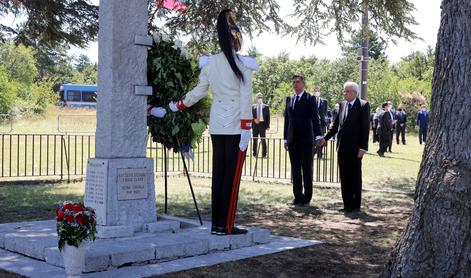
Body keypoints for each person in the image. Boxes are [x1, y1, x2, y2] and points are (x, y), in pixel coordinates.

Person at [165, 9, 258, 235]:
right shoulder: (244, 64)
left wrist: (178, 105)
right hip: (237, 124)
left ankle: (217, 223)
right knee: (232, 176)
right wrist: (247, 126)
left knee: (219, 174)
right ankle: (225, 225)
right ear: (236, 41)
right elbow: (246, 96)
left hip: (218, 124)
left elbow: (198, 92)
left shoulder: (210, 63)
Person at [320, 81, 370, 213]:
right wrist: (325, 138)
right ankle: (347, 204)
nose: (345, 93)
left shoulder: (363, 105)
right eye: (344, 91)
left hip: (355, 149)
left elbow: (365, 128)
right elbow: (336, 126)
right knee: (344, 176)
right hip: (342, 147)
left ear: (354, 92)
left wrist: (363, 148)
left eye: (347, 91)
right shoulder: (342, 105)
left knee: (355, 176)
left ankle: (355, 205)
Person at [284, 75, 323, 206]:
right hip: (292, 140)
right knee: (295, 169)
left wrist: (318, 135)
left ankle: (307, 197)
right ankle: (297, 196)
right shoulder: (289, 99)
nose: (295, 84)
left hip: (306, 140)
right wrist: (285, 138)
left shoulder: (309, 98)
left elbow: (315, 118)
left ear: (303, 84)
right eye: (293, 82)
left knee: (306, 169)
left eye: (298, 82)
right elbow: (287, 120)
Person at [252, 92, 270, 157]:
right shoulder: (253, 106)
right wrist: (254, 119)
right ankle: (254, 154)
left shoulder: (266, 106)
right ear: (256, 98)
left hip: (262, 125)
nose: (260, 98)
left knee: (263, 139)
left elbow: (268, 117)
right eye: (258, 97)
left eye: (261, 97)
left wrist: (268, 126)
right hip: (255, 125)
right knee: (255, 139)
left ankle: (264, 154)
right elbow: (251, 115)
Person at [313, 87, 328, 159]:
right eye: (315, 91)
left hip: (322, 124)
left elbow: (325, 113)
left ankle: (319, 154)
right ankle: (313, 152)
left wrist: (325, 121)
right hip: (313, 123)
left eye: (318, 91)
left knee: (321, 138)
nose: (317, 92)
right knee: (313, 139)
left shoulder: (324, 101)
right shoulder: (311, 100)